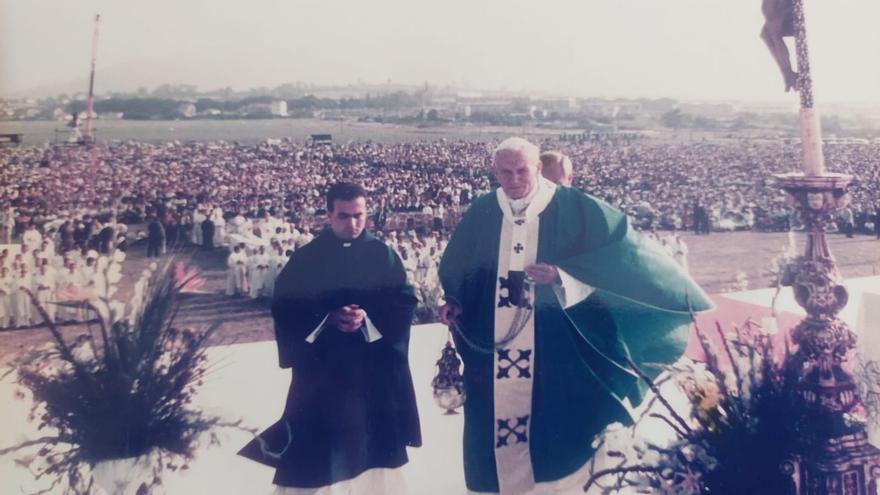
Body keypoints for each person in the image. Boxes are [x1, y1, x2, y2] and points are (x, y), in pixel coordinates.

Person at [437, 137, 712, 494]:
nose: (515, 179)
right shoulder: (483, 210)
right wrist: (454, 300)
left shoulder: (576, 207)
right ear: (494, 172)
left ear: (537, 168)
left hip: (558, 344)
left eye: (523, 170)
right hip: (495, 348)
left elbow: (623, 256)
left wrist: (563, 275)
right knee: (495, 435)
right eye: (506, 172)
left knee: (561, 435)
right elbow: (461, 265)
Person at [239, 182, 421, 493]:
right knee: (317, 451)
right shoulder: (307, 259)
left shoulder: (383, 255)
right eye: (344, 216)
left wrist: (367, 319)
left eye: (359, 216)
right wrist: (327, 318)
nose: (352, 223)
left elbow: (402, 302)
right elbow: (286, 306)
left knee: (373, 448)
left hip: (370, 371)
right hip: (322, 370)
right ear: (328, 215)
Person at [761, 0, 798, 92]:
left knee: (772, 34)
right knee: (767, 35)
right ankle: (788, 75)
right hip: (778, 8)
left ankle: (789, 75)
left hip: (784, 8)